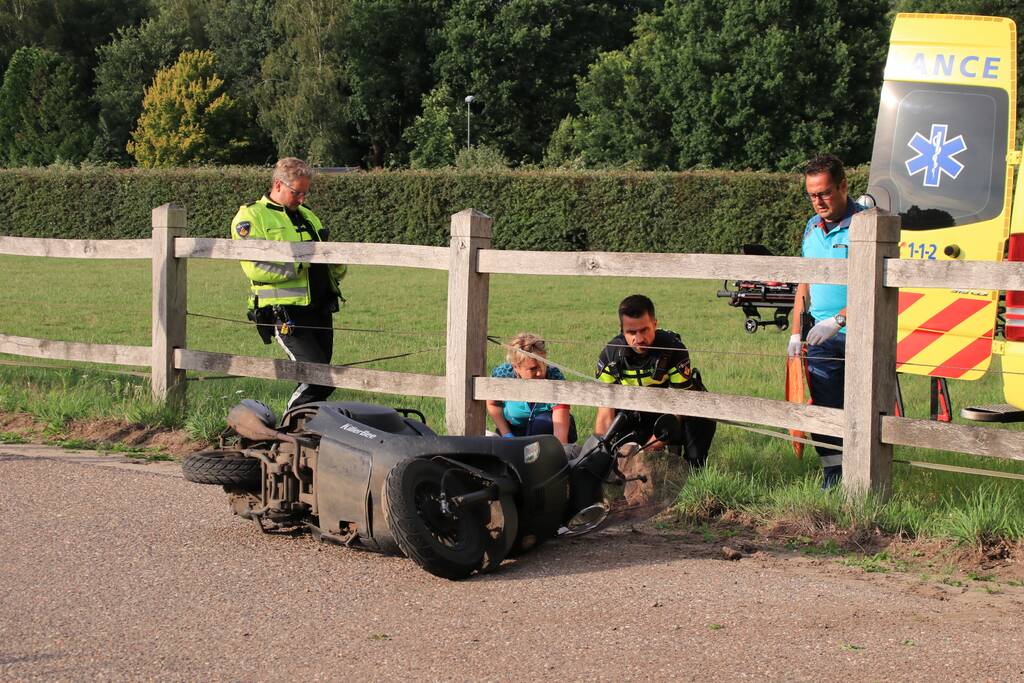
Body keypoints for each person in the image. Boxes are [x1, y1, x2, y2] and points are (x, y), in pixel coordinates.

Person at [231, 157, 347, 410]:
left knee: (322, 377)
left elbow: (328, 254)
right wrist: (300, 264)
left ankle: (304, 428)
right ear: (278, 185)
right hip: (285, 313)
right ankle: (286, 428)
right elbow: (255, 266)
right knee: (318, 379)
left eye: (306, 193)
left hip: (320, 309)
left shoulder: (308, 216)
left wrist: (338, 266)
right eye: (297, 192)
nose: (302, 199)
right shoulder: (252, 216)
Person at [787, 154, 864, 489]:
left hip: (862, 335)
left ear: (844, 186)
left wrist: (839, 319)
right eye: (812, 195)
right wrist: (795, 332)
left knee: (861, 409)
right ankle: (833, 476)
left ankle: (863, 479)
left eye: (825, 193)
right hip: (820, 338)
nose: (818, 201)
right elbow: (805, 280)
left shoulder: (867, 224)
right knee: (823, 408)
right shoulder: (811, 226)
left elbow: (873, 286)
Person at [594, 294, 716, 468]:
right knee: (613, 462)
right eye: (631, 332)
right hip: (634, 415)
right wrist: (599, 453)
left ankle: (694, 472)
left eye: (644, 330)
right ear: (622, 330)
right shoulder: (609, 356)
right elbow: (605, 413)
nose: (639, 338)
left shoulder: (674, 350)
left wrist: (647, 450)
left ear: (655, 324)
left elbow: (679, 407)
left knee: (701, 416)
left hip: (673, 413)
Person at [486, 333, 577, 444]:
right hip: (514, 431)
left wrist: (559, 451)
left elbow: (560, 428)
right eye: (533, 368)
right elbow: (493, 404)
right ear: (516, 367)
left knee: (542, 422)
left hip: (547, 432)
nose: (539, 372)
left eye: (543, 364)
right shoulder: (502, 374)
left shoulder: (554, 376)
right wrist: (506, 435)